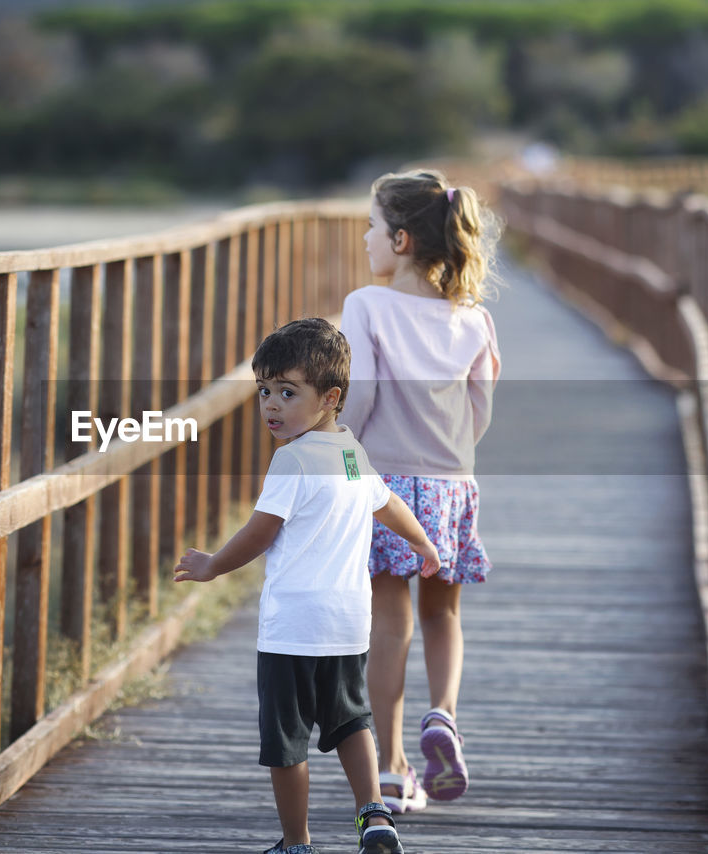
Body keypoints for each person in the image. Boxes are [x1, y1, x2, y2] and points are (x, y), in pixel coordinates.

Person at [174, 318, 440, 854]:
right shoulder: (350, 452)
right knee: (351, 722)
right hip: (346, 626)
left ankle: (296, 843)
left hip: (291, 629)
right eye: (264, 391)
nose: (270, 404)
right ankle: (375, 814)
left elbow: (259, 533)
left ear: (330, 397)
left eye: (287, 392)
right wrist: (423, 544)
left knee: (286, 744)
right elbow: (387, 504)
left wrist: (212, 566)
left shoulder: (290, 461)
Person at [339, 169, 502, 813]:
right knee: (443, 614)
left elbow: (361, 399)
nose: (365, 237)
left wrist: (333, 460)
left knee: (390, 620)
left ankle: (390, 766)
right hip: (452, 486)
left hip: (386, 487)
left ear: (401, 240)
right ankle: (444, 715)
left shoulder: (367, 305)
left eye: (373, 227)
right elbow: (480, 411)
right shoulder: (475, 320)